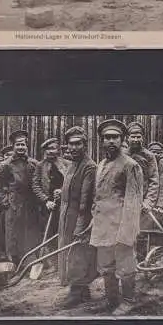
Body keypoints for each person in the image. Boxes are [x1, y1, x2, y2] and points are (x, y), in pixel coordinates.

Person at [90, 119, 143, 316]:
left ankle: (129, 301)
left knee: (126, 266)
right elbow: (99, 196)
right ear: (102, 141)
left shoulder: (131, 165)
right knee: (106, 267)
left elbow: (134, 201)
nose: (111, 141)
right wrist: (93, 220)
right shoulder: (102, 164)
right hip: (102, 225)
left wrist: (127, 232)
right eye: (107, 137)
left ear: (122, 140)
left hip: (121, 226)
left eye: (115, 137)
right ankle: (111, 300)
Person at [57, 126, 98, 308]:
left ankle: (75, 292)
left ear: (85, 145)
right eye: (70, 144)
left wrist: (81, 226)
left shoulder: (89, 167)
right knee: (70, 252)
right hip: (66, 216)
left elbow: (84, 200)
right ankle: (83, 291)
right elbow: (70, 188)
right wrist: (61, 192)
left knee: (78, 254)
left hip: (80, 217)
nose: (73, 148)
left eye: (78, 144)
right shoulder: (72, 164)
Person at [0, 130, 40, 267]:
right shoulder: (6, 165)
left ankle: (29, 261)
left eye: (23, 144)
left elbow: (39, 182)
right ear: (13, 146)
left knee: (30, 233)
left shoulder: (33, 163)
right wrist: (4, 200)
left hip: (31, 204)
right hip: (13, 203)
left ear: (26, 146)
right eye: (18, 145)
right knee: (13, 234)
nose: (21, 147)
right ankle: (13, 263)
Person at [32, 138, 70, 266]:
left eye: (53, 148)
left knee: (64, 231)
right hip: (47, 206)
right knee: (48, 232)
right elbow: (35, 186)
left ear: (58, 150)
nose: (50, 151)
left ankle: (63, 259)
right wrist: (46, 200)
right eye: (48, 149)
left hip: (64, 204)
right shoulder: (40, 166)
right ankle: (50, 261)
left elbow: (72, 183)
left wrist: (62, 190)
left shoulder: (67, 164)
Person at [126, 121, 159, 227]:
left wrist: (148, 202)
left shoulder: (149, 156)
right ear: (127, 138)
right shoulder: (122, 155)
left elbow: (154, 181)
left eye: (138, 137)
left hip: (142, 203)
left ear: (143, 138)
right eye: (133, 137)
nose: (136, 140)